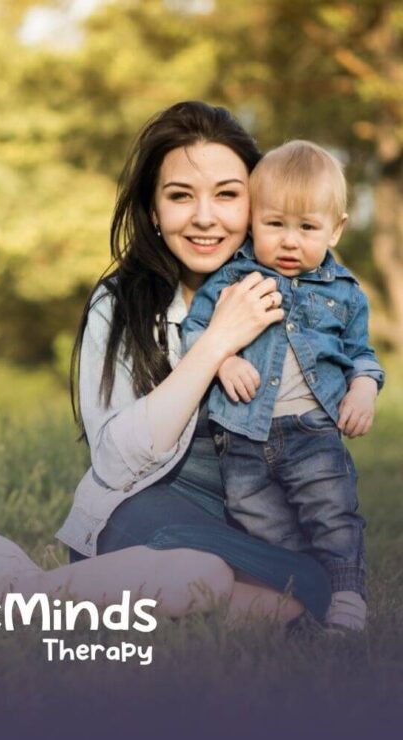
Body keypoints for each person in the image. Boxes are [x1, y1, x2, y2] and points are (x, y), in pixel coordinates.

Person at [0, 101, 332, 625]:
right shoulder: (120, 305)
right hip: (142, 508)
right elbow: (115, 464)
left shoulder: (294, 296)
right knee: (202, 577)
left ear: (255, 203)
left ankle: (23, 587)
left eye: (227, 195)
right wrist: (214, 344)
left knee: (297, 604)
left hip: (247, 526)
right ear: (154, 210)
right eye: (180, 196)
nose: (205, 217)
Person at [181, 140, 384, 630]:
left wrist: (363, 389)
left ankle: (346, 595)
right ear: (253, 221)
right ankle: (302, 595)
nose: (290, 242)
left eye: (307, 228)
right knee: (260, 522)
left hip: (313, 430)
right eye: (275, 224)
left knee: (331, 511)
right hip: (241, 437)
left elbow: (361, 354)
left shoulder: (344, 293)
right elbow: (195, 331)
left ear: (335, 228)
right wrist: (224, 360)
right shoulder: (232, 279)